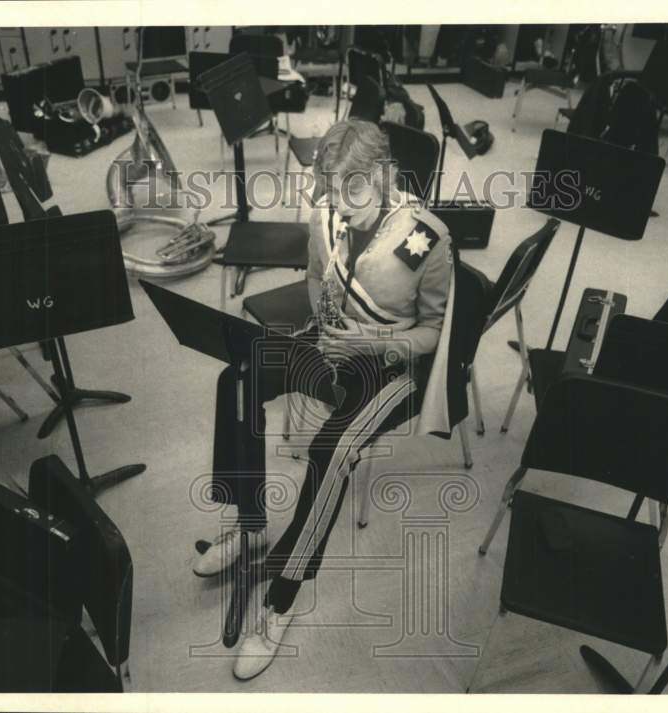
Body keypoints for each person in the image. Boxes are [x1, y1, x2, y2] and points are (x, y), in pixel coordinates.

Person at [196, 118, 457, 680]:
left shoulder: (425, 237)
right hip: (333, 341)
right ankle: (249, 527)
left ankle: (284, 596)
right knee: (235, 378)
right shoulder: (328, 211)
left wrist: (371, 340)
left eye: (352, 190)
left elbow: (436, 331)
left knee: (332, 451)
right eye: (331, 192)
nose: (340, 206)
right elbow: (317, 276)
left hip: (393, 363)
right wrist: (323, 327)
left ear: (385, 174)